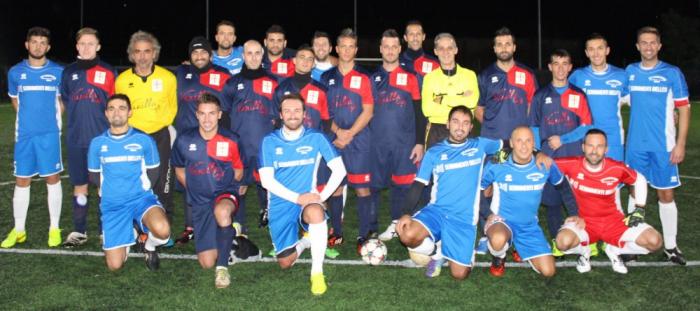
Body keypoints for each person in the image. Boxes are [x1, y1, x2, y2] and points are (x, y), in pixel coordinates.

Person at [395, 106, 502, 280]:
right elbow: (418, 185)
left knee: (459, 274)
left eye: (466, 123)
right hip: (437, 211)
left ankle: (451, 253)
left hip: (463, 218)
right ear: (447, 124)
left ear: (471, 127)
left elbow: (507, 145)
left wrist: (492, 169)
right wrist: (406, 213)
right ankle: (437, 251)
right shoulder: (434, 152)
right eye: (456, 121)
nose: (460, 127)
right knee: (406, 233)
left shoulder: (480, 145)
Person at [259, 93, 347, 295]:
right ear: (280, 114)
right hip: (281, 204)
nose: (292, 115)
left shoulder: (316, 137)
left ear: (304, 114)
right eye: (287, 110)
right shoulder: (269, 142)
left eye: (297, 110)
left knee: (316, 213)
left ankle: (317, 273)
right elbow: (267, 181)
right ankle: (308, 239)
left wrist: (320, 197)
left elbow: (340, 170)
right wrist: (298, 198)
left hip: (308, 201)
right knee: (285, 262)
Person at [555, 129, 663, 274]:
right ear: (583, 147)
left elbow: (639, 179)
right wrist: (538, 155)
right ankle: (584, 251)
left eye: (599, 146)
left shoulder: (616, 168)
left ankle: (614, 249)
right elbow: (546, 165)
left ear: (606, 149)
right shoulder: (571, 164)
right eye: (590, 145)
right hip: (583, 222)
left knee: (655, 241)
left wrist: (639, 208)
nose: (594, 151)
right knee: (563, 242)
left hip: (614, 222)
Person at [625, 26, 690, 265]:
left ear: (659, 46)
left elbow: (683, 108)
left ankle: (671, 246)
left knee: (665, 193)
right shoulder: (630, 72)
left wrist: (680, 143)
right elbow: (618, 97)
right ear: (637, 46)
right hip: (635, 146)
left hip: (664, 146)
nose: (648, 46)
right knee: (635, 193)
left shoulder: (672, 73)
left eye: (653, 42)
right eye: (644, 42)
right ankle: (632, 242)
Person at [481, 126, 580, 277]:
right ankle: (499, 256)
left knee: (549, 271)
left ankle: (519, 247)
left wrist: (574, 213)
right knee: (498, 239)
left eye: (528, 141)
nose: (524, 145)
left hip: (529, 225)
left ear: (534, 144)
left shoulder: (545, 164)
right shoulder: (497, 161)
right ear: (512, 143)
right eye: (519, 141)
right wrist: (487, 213)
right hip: (501, 221)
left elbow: (564, 187)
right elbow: (478, 189)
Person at [87, 94, 171, 271]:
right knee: (115, 266)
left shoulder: (144, 140)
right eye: (112, 108)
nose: (116, 112)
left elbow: (154, 172)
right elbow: (95, 176)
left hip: (141, 200)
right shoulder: (97, 143)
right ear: (106, 114)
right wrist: (112, 193)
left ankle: (149, 246)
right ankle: (131, 231)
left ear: (130, 112)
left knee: (163, 231)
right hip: (113, 205)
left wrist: (139, 190)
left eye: (122, 108)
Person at [474, 26, 538, 254]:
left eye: (507, 44)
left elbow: (532, 108)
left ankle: (518, 237)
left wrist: (527, 141)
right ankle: (488, 231)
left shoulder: (527, 75)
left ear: (514, 47)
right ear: (494, 48)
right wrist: (492, 129)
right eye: (499, 44)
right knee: (488, 189)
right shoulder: (485, 75)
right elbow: (478, 109)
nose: (504, 48)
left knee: (519, 189)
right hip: (494, 144)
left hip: (520, 147)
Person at [172, 93, 243, 288]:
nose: (207, 119)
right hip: (200, 202)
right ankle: (231, 235)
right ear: (196, 115)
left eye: (212, 113)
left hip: (224, 194)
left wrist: (226, 188)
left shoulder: (232, 139)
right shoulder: (184, 140)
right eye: (202, 114)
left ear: (220, 114)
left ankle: (222, 270)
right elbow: (179, 169)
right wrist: (194, 189)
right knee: (206, 262)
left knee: (221, 212)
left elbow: (238, 170)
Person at [2, 27, 64, 248]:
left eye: (42, 43)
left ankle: (54, 228)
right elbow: (14, 99)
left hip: (49, 135)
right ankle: (19, 231)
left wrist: (50, 121)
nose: (38, 46)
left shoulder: (58, 72)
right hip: (25, 136)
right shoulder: (15, 73)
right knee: (22, 180)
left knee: (53, 178)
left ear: (48, 47)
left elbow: (62, 102)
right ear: (27, 45)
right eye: (34, 42)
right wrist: (29, 119)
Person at [115, 31, 177, 244]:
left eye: (147, 51)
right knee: (135, 179)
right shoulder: (122, 80)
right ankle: (135, 226)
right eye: (137, 52)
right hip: (134, 137)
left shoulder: (167, 78)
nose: (142, 56)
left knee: (162, 179)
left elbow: (172, 107)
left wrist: (158, 125)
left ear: (155, 53)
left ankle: (164, 227)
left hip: (160, 134)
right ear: (132, 54)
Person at [59, 27, 116, 247]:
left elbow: (114, 105)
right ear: (77, 46)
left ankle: (105, 230)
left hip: (102, 141)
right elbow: (65, 100)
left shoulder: (109, 71)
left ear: (98, 46)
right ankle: (79, 230)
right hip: (75, 139)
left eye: (91, 43)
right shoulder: (68, 72)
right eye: (82, 43)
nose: (86, 47)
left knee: (104, 187)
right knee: (80, 186)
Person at [529, 49, 592, 249]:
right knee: (553, 202)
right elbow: (534, 128)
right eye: (556, 63)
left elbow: (587, 125)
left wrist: (563, 139)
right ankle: (558, 241)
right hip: (550, 159)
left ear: (570, 67)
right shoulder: (540, 95)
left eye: (565, 63)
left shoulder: (578, 94)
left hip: (573, 157)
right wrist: (538, 152)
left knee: (579, 200)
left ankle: (587, 239)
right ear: (549, 67)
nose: (560, 68)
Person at [173, 36, 233, 245]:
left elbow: (226, 108)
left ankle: (218, 220)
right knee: (190, 180)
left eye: (203, 52)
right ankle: (190, 226)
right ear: (189, 56)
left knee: (214, 180)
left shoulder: (222, 75)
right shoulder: (180, 73)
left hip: (213, 136)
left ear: (210, 54)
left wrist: (224, 136)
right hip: (187, 137)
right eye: (195, 53)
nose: (199, 56)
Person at [321, 28, 375, 253]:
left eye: (350, 46)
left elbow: (369, 111)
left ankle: (364, 234)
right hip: (333, 139)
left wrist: (349, 133)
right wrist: (337, 132)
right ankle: (337, 232)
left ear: (356, 50)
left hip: (359, 140)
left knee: (362, 188)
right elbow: (323, 112)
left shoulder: (365, 76)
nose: (346, 50)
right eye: (342, 45)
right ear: (336, 48)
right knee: (335, 188)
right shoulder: (326, 78)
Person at [369, 29, 425, 242]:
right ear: (381, 49)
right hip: (378, 143)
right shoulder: (372, 78)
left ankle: (395, 223)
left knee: (402, 187)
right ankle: (371, 230)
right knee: (374, 187)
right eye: (386, 46)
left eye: (394, 46)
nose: (390, 50)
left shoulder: (411, 77)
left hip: (404, 144)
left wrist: (419, 142)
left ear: (399, 49)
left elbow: (419, 113)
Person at [222, 40, 279, 232]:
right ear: (243, 56)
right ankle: (239, 223)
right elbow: (224, 115)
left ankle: (267, 211)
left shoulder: (273, 82)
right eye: (249, 53)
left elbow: (280, 114)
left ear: (262, 55)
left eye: (257, 53)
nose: (253, 57)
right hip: (241, 146)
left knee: (267, 183)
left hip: (265, 145)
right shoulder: (232, 83)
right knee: (241, 186)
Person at [569, 33, 628, 162]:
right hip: (585, 137)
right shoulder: (577, 76)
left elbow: (639, 102)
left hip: (613, 138)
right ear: (586, 53)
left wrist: (670, 111)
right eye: (591, 49)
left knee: (613, 179)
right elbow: (566, 103)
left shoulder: (621, 75)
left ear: (607, 50)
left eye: (600, 48)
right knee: (588, 179)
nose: (596, 53)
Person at [421, 33, 479, 148]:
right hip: (437, 132)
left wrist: (440, 99)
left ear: (456, 50)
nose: (445, 52)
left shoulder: (470, 75)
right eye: (441, 48)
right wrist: (460, 97)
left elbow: (471, 103)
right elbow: (427, 109)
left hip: (463, 130)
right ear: (435, 51)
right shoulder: (429, 78)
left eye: (449, 48)